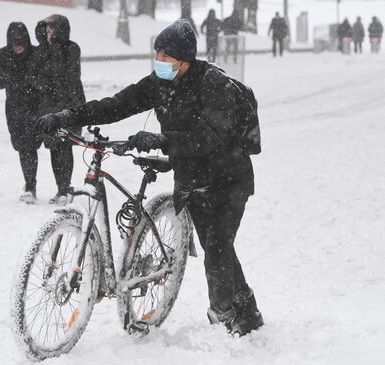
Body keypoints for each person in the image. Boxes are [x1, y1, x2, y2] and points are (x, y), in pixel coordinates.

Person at [36, 20, 264, 336]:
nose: (161, 63)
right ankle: (247, 311)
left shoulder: (214, 85)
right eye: (158, 55)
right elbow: (115, 105)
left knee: (217, 248)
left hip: (228, 178)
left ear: (186, 61)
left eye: (167, 58)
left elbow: (210, 137)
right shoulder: (158, 83)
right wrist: (68, 117)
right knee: (219, 249)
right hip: (192, 179)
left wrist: (161, 140)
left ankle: (225, 319)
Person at [27, 15, 85, 205]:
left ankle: (65, 188)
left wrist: (54, 49)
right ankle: (60, 187)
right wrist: (44, 85)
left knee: (65, 147)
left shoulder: (71, 48)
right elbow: (33, 75)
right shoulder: (42, 51)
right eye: (46, 30)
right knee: (53, 147)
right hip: (48, 106)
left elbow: (68, 76)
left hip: (69, 104)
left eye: (51, 30)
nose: (47, 33)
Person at [0, 22, 41, 204]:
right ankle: (29, 184)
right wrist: (16, 77)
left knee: (32, 146)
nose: (18, 46)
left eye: (21, 42)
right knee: (22, 147)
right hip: (13, 108)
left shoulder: (36, 53)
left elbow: (42, 80)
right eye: (14, 43)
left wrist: (26, 81)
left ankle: (34, 185)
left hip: (35, 107)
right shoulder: (3, 55)